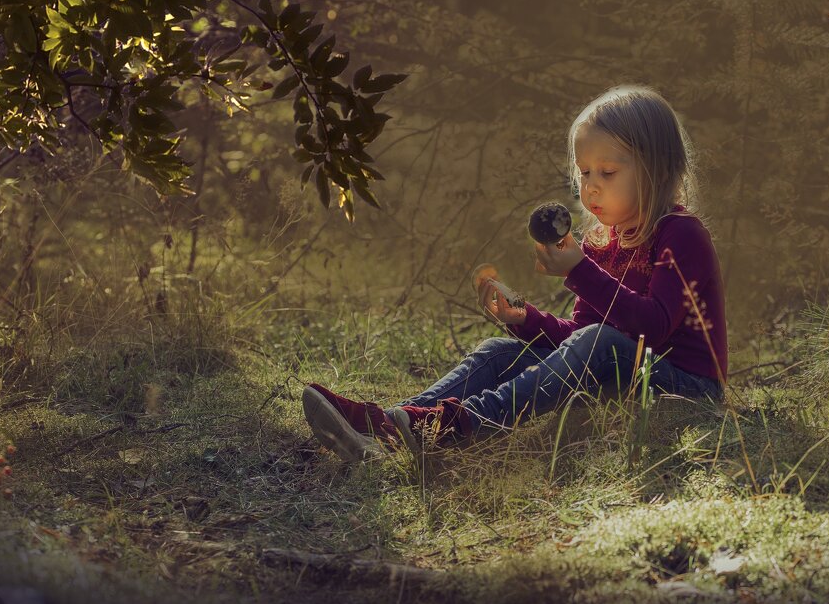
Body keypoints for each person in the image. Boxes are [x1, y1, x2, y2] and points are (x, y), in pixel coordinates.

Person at [302, 84, 729, 463]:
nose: (591, 185)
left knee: (602, 340)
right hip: (620, 377)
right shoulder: (605, 241)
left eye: (608, 172)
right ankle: (388, 425)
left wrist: (580, 270)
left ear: (655, 169)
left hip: (683, 388)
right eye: (583, 173)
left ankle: (449, 427)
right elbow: (576, 340)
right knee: (497, 350)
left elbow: (650, 330)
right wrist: (525, 319)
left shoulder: (681, 234)